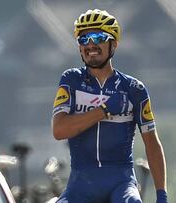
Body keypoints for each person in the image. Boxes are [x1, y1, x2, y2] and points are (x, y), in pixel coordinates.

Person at [51, 9, 168, 203]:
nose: (90, 45)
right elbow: (59, 130)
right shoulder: (71, 80)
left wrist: (162, 195)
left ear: (113, 44)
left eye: (98, 37)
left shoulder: (133, 88)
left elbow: (152, 143)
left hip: (121, 183)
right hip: (81, 184)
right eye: (83, 39)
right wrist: (103, 110)